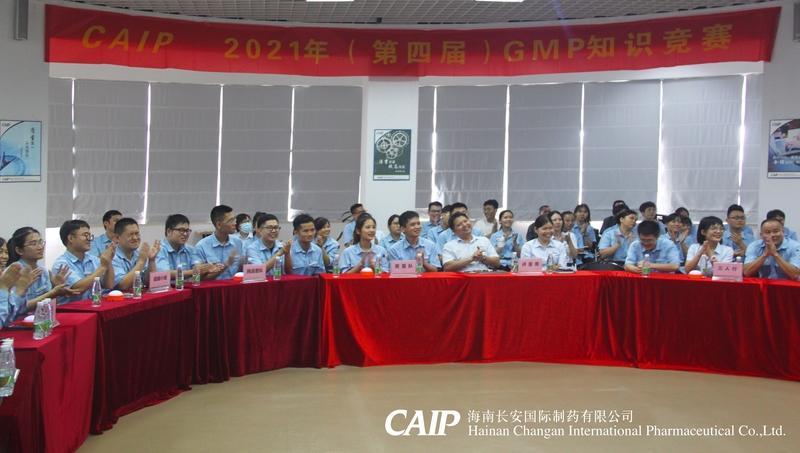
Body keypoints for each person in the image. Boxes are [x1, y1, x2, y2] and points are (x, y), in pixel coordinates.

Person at [6, 227, 79, 320]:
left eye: (41, 242)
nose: (40, 247)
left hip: (41, 320)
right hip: (17, 322)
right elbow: (19, 308)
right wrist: (53, 293)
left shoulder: (43, 271)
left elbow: (49, 304)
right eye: (33, 244)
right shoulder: (13, 272)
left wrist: (55, 287)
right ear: (19, 250)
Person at [51, 220, 116, 303]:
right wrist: (103, 267)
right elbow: (79, 288)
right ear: (71, 238)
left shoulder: (93, 259)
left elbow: (109, 285)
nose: (89, 239)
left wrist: (108, 261)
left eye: (90, 235)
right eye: (85, 235)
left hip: (94, 305)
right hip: (73, 309)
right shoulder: (61, 264)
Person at [195, 205, 244, 280]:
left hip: (235, 285)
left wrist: (245, 263)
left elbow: (240, 272)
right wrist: (226, 265)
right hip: (213, 287)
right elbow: (198, 279)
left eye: (234, 219)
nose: (235, 223)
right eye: (231, 220)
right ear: (219, 225)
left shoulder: (238, 242)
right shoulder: (201, 246)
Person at [112, 218, 159, 290]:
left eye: (137, 234)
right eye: (130, 235)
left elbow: (150, 282)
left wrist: (151, 260)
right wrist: (141, 262)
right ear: (117, 238)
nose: (135, 238)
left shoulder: (138, 254)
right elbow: (123, 285)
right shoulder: (112, 257)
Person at [155, 214, 205, 280]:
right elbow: (163, 274)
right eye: (181, 230)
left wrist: (205, 268)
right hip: (167, 286)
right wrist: (194, 272)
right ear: (169, 231)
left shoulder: (191, 249)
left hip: (187, 286)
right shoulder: (159, 249)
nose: (185, 234)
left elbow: (198, 268)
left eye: (187, 231)